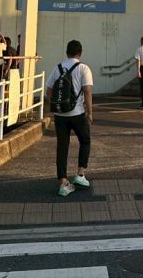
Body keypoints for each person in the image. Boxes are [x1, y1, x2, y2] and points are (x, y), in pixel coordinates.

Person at [45, 39, 93, 197]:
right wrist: (90, 112)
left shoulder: (58, 68)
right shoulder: (83, 68)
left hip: (60, 116)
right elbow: (87, 91)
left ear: (67, 52)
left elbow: (49, 91)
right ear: (80, 53)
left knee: (62, 147)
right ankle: (80, 174)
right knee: (85, 140)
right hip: (77, 113)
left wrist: (56, 106)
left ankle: (63, 182)